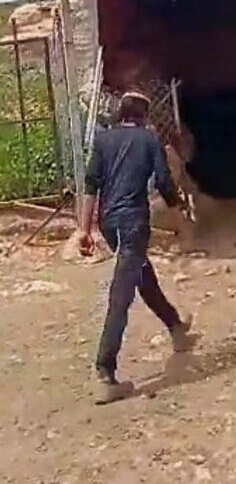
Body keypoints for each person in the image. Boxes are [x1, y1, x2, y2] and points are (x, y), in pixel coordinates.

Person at [74, 91, 192, 405]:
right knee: (122, 293)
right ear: (144, 116)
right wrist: (178, 210)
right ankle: (105, 371)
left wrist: (84, 230)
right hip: (132, 224)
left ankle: (176, 328)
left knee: (142, 276)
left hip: (110, 225)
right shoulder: (149, 139)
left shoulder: (102, 140)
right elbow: (164, 181)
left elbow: (89, 185)